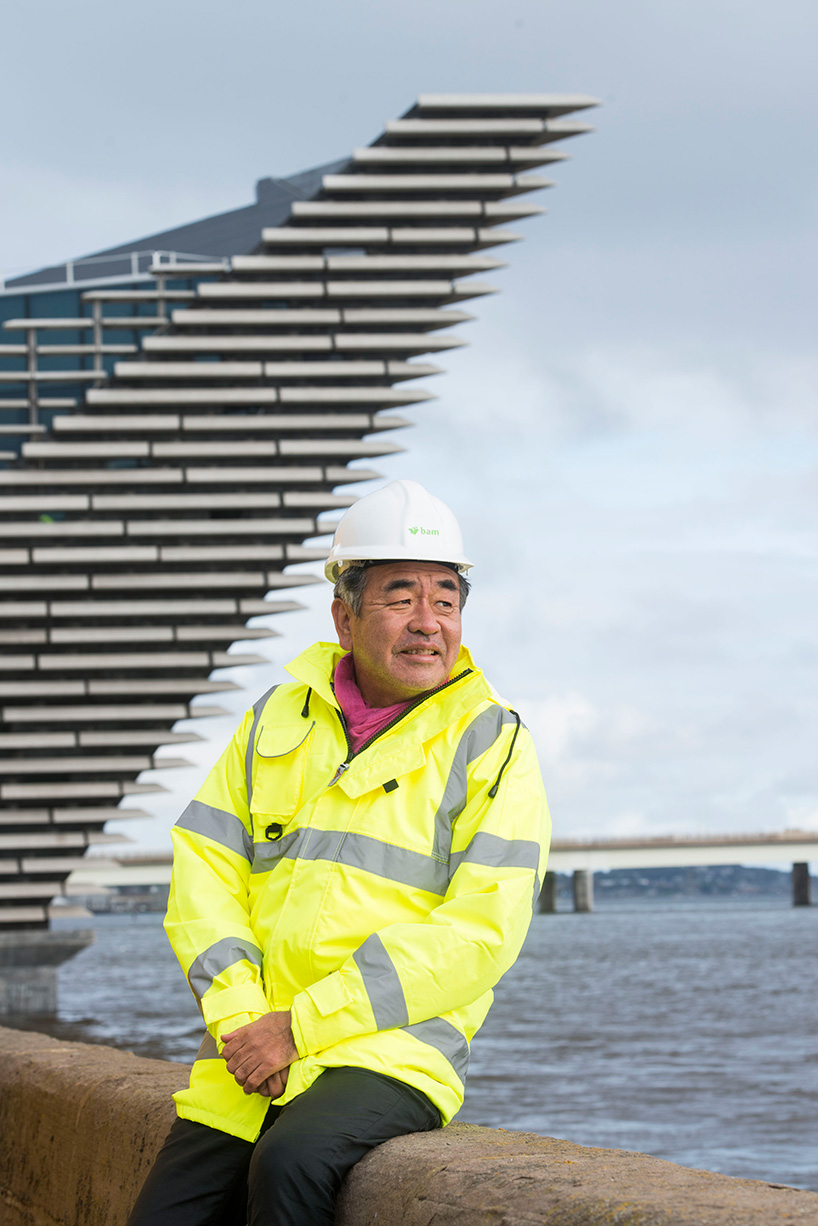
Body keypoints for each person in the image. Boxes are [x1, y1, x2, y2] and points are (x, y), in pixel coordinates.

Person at [127, 478, 550, 1226]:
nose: (428, 623)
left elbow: (482, 932)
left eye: (445, 600)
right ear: (344, 616)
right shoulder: (276, 716)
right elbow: (205, 868)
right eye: (400, 598)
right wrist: (240, 1018)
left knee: (292, 1164)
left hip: (390, 1050)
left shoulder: (492, 741)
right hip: (252, 1042)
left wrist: (301, 1026)